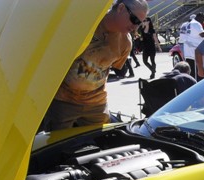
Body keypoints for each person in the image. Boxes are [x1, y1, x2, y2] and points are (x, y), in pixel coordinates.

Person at [43, 0, 148, 131]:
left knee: (101, 140)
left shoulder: (126, 43)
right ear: (121, 8)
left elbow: (110, 68)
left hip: (97, 104)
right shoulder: (84, 24)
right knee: (56, 141)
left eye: (139, 23)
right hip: (63, 100)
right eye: (134, 20)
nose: (135, 27)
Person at [182, 13, 204, 78]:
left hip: (188, 51)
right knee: (197, 73)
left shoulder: (187, 24)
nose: (202, 22)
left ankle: (191, 83)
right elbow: (202, 34)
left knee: (191, 72)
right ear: (199, 17)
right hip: (194, 52)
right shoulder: (196, 23)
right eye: (202, 20)